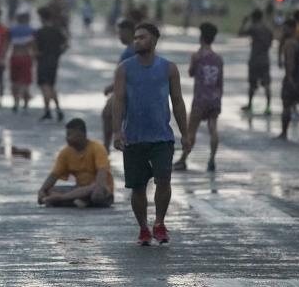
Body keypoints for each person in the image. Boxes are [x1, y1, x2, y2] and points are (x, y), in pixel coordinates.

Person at [111, 23, 189, 246]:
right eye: (135, 38)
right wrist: (117, 131)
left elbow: (178, 101)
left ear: (154, 41)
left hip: (162, 137)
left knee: (164, 180)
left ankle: (160, 223)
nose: (136, 41)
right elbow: (118, 101)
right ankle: (144, 227)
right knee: (137, 187)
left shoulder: (168, 68)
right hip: (133, 137)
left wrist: (185, 133)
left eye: (142, 38)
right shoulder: (124, 69)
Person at [174, 23, 223, 172]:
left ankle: (183, 160)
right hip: (214, 98)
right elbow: (220, 80)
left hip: (200, 99)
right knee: (213, 129)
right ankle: (212, 160)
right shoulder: (218, 58)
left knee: (191, 131)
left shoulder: (197, 56)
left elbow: (191, 72)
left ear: (201, 38)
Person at [37, 118, 113, 208]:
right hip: (78, 189)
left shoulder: (97, 148)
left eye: (69, 134)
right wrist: (42, 191)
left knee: (96, 195)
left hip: (99, 188)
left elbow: (102, 172)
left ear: (81, 134)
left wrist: (98, 188)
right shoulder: (66, 152)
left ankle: (64, 199)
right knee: (50, 191)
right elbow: (54, 175)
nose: (67, 138)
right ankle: (81, 201)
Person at [102, 19, 136, 150]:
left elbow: (127, 74)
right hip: (126, 90)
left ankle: (106, 147)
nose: (119, 36)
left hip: (125, 92)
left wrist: (111, 87)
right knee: (109, 115)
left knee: (107, 114)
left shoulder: (130, 51)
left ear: (129, 32)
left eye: (121, 33)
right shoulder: (131, 49)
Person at [277, 19, 299, 142]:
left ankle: (284, 132)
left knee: (286, 106)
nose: (283, 30)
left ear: (292, 28)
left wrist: (289, 78)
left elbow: (290, 62)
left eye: (285, 28)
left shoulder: (290, 43)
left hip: (293, 79)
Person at [34, 7, 68, 121]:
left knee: (45, 87)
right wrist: (58, 53)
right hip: (54, 62)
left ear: (41, 18)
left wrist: (37, 55)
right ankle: (58, 109)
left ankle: (47, 110)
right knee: (52, 86)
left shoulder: (39, 32)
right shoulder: (57, 31)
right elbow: (66, 44)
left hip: (43, 61)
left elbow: (35, 50)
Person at [238, 9, 274, 115]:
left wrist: (244, 22)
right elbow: (270, 41)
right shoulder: (267, 29)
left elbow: (240, 33)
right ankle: (268, 106)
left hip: (254, 60)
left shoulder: (254, 28)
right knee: (267, 84)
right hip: (265, 60)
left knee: (252, 84)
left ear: (253, 18)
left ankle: (250, 104)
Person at [7, 12, 34, 112]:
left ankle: (15, 102)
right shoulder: (31, 30)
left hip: (15, 57)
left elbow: (7, 44)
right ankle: (25, 103)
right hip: (26, 57)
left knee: (15, 81)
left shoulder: (11, 30)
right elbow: (33, 46)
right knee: (25, 82)